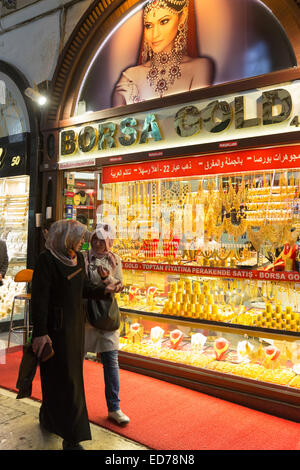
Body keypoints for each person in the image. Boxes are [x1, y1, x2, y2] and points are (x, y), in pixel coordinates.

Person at [31, 219, 121, 450]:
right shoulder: (47, 260)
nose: (84, 242)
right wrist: (40, 333)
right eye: (81, 238)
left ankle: (51, 419)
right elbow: (40, 300)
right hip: (54, 332)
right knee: (62, 382)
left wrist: (105, 288)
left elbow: (83, 289)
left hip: (74, 330)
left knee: (69, 380)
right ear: (67, 237)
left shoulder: (76, 258)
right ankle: (72, 438)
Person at [112, 0, 214, 106]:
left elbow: (198, 115)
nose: (155, 34)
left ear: (182, 17)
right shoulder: (129, 77)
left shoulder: (199, 67)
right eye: (148, 26)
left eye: (164, 21)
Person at [84, 223, 130, 425]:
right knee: (76, 359)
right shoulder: (83, 257)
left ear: (108, 242)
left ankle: (114, 407)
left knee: (111, 360)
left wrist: (107, 278)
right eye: (95, 238)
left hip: (106, 315)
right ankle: (74, 403)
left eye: (101, 240)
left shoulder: (114, 259)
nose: (96, 242)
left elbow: (119, 286)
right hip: (84, 316)